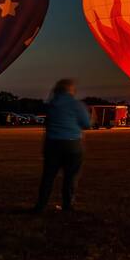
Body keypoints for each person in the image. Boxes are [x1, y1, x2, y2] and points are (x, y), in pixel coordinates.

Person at [33, 79, 91, 212]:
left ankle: (41, 205)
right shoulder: (77, 105)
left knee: (48, 177)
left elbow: (47, 123)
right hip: (72, 145)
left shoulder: (51, 105)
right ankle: (68, 205)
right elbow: (86, 124)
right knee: (70, 177)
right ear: (71, 90)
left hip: (52, 144)